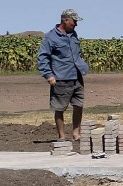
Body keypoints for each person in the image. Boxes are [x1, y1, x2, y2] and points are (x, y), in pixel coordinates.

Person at [37, 9, 89, 141]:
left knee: (78, 105)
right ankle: (62, 136)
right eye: (74, 21)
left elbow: (76, 54)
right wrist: (49, 75)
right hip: (61, 78)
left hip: (77, 76)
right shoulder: (50, 37)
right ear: (65, 20)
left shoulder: (73, 34)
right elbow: (43, 57)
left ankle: (76, 133)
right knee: (59, 108)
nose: (76, 24)